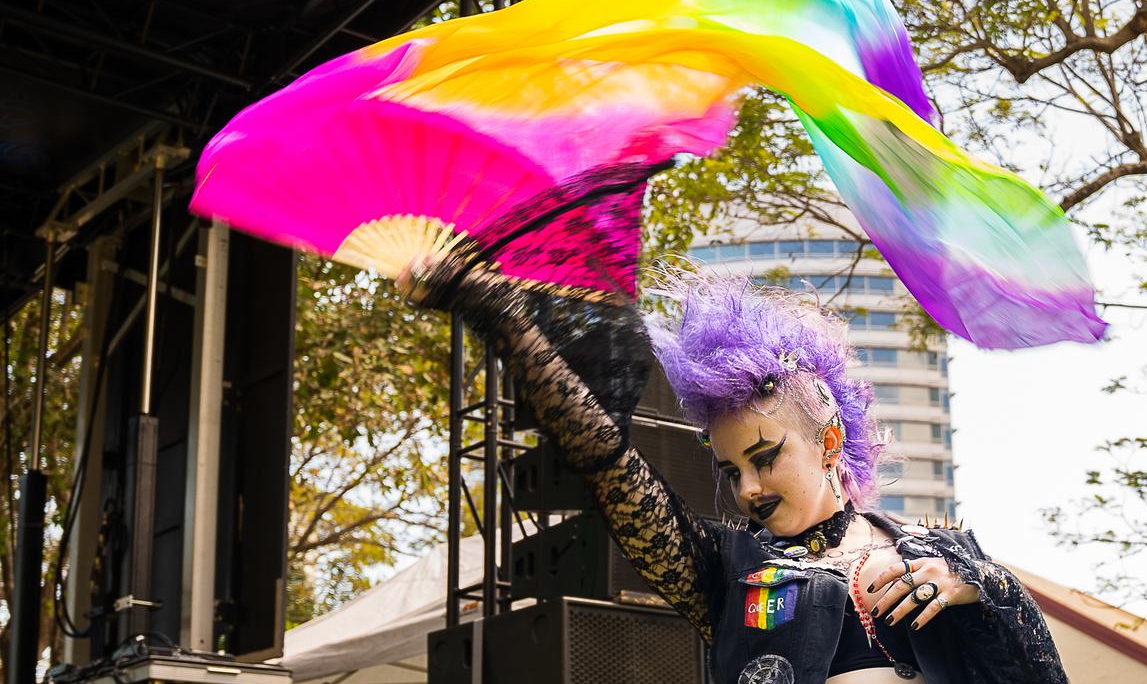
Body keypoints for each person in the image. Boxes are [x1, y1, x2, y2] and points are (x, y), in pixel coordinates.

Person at [406, 255, 1068, 684]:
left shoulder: (940, 555)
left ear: (829, 442)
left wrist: (980, 586)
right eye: (730, 471)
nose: (747, 488)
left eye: (765, 458)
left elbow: (1041, 675)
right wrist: (506, 319)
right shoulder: (727, 572)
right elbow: (606, 462)